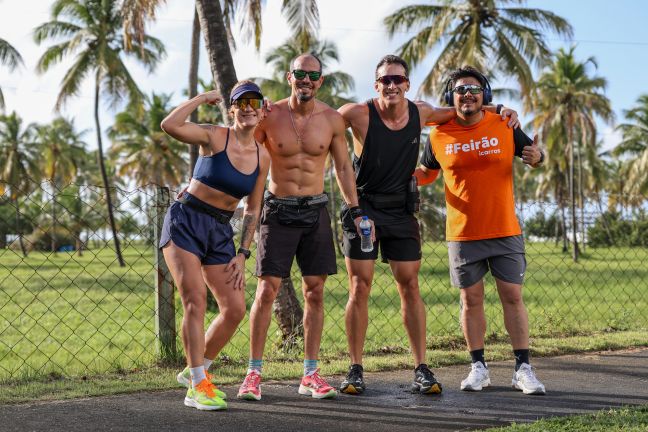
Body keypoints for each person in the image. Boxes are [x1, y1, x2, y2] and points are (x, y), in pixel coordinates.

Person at [337, 55, 519, 395]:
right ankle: (355, 369)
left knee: (410, 286)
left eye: (398, 80)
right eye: (385, 80)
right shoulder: (356, 113)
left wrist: (504, 110)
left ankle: (421, 367)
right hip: (364, 210)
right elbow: (319, 125)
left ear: (407, 84)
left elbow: (465, 110)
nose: (392, 85)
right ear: (376, 85)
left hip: (401, 211)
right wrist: (353, 208)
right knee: (359, 286)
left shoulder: (421, 112)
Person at [237, 54, 366, 401]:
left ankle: (310, 374)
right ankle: (253, 373)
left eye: (313, 75)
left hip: (315, 212)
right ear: (289, 76)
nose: (306, 80)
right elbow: (243, 142)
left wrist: (355, 210)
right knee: (267, 291)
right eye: (300, 74)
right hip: (277, 211)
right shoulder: (270, 115)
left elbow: (342, 167)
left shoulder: (333, 120)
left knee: (315, 291)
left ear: (320, 80)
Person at [415, 66, 546, 395]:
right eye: (460, 90)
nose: (467, 94)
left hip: (504, 229)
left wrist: (537, 156)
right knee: (470, 301)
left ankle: (523, 369)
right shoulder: (439, 135)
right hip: (462, 233)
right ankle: (478, 368)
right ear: (451, 97)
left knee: (512, 298)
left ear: (485, 95)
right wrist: (398, 176)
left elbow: (534, 154)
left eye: (474, 89)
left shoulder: (504, 124)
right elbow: (427, 172)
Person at [159, 81, 271, 410]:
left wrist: (242, 253)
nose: (248, 108)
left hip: (220, 231)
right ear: (232, 109)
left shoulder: (262, 156)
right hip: (187, 221)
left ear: (262, 110)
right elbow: (170, 126)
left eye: (255, 102)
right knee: (194, 299)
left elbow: (253, 207)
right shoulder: (213, 135)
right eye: (241, 102)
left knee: (235, 308)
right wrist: (200, 98)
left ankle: (198, 370)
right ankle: (196, 386)